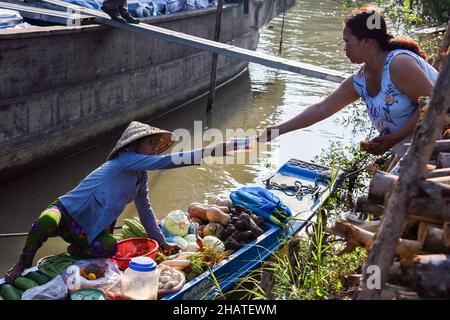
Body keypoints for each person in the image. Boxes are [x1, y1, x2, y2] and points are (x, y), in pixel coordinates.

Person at [5, 121, 238, 282]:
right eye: (150, 143)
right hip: (66, 213)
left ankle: (76, 249)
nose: (154, 149)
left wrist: (162, 242)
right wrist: (211, 150)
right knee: (45, 221)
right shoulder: (126, 159)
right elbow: (169, 162)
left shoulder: (139, 177)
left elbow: (145, 211)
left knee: (109, 248)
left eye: (157, 145)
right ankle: (22, 265)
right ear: (133, 146)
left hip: (87, 230)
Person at [258, 5, 438, 167]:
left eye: (347, 41)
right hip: (417, 151)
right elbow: (321, 108)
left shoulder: (398, 64)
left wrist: (395, 138)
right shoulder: (359, 80)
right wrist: (275, 130)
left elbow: (433, 106)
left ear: (367, 41)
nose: (343, 48)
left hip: (440, 146)